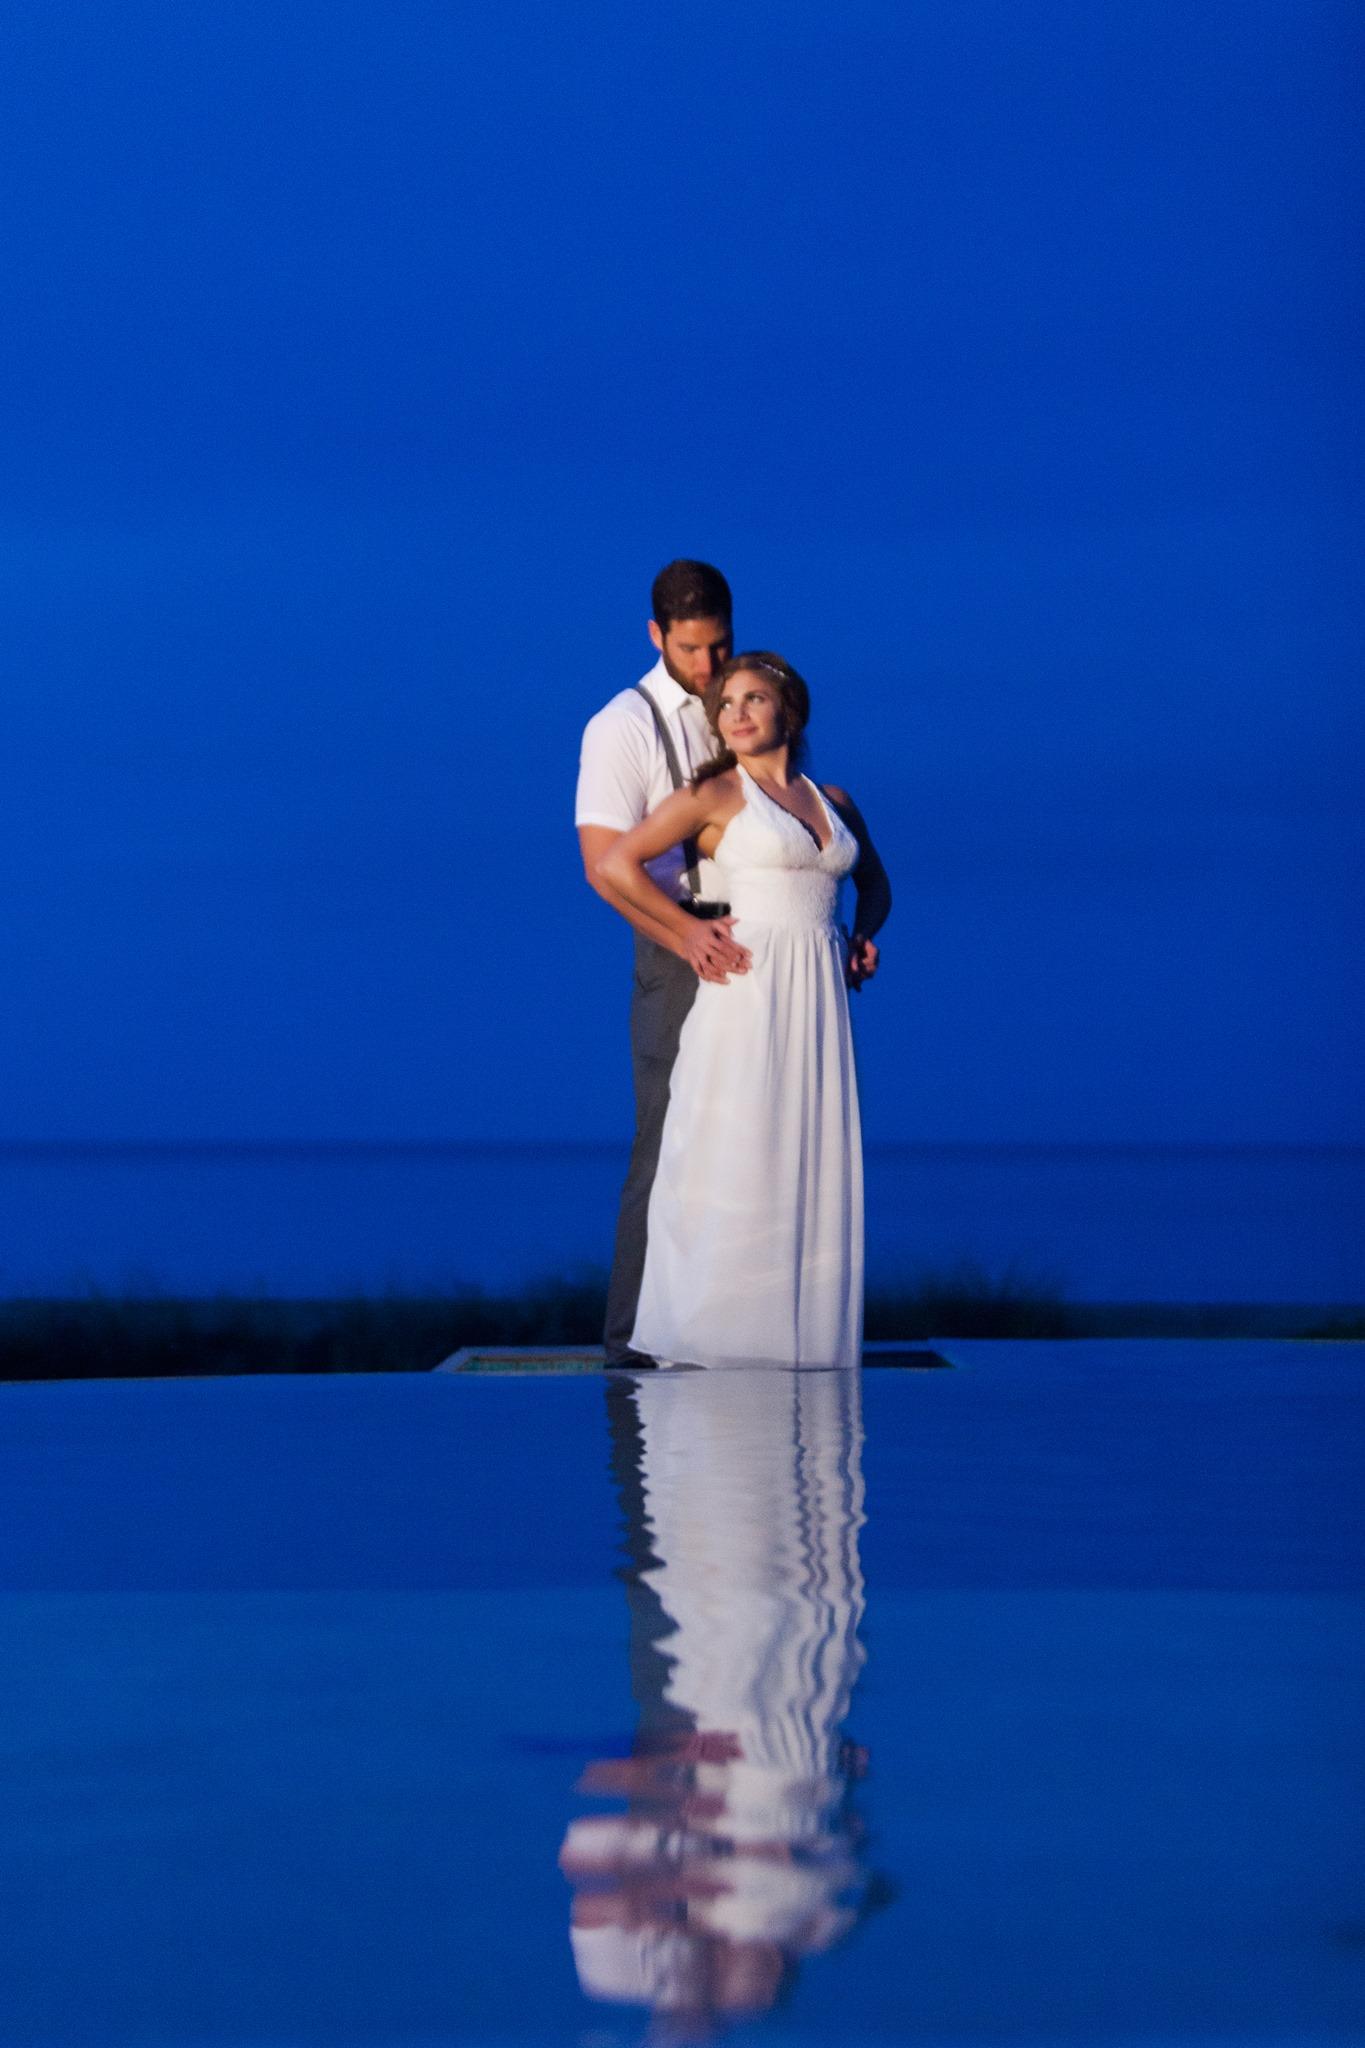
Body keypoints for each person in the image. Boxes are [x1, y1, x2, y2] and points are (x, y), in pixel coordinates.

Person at [596, 653, 890, 1370]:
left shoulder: (834, 800)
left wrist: (861, 938)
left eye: (753, 699)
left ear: (789, 709)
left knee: (806, 1155)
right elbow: (614, 863)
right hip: (748, 994)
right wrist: (687, 933)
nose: (736, 714)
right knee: (736, 1158)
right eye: (725, 704)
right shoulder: (715, 794)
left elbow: (874, 886)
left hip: (817, 999)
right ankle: (717, 1350)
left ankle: (803, 1350)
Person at [576, 561, 751, 1367]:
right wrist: (682, 935)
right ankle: (630, 1350)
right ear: (656, 636)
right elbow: (601, 866)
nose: (708, 668)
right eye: (690, 650)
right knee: (662, 1147)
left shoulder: (746, 704)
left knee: (746, 1145)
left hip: (756, 944)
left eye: (718, 647)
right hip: (678, 945)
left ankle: (725, 1332)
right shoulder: (622, 724)